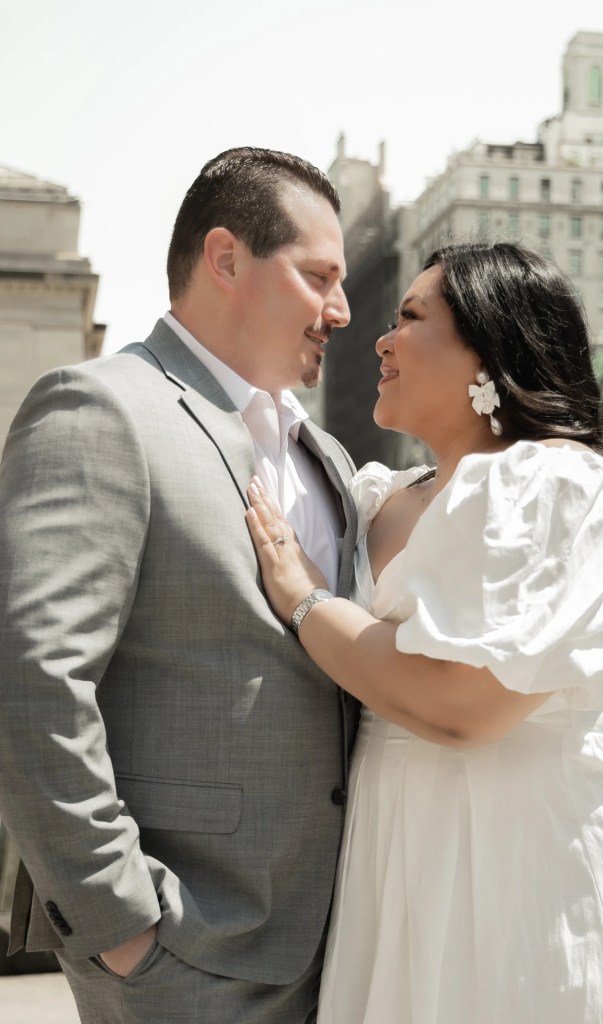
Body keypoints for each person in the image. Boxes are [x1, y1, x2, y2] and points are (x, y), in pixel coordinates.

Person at [246, 241, 603, 1024]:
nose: (380, 340)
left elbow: (464, 704)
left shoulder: (563, 487)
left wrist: (305, 599)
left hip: (532, 870)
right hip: (394, 858)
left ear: (489, 345)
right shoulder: (373, 497)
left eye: (410, 318)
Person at [0, 147, 359, 1024]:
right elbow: (33, 679)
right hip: (186, 956)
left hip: (344, 949)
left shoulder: (329, 457)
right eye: (318, 277)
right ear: (226, 258)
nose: (342, 310)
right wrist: (119, 925)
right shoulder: (100, 410)